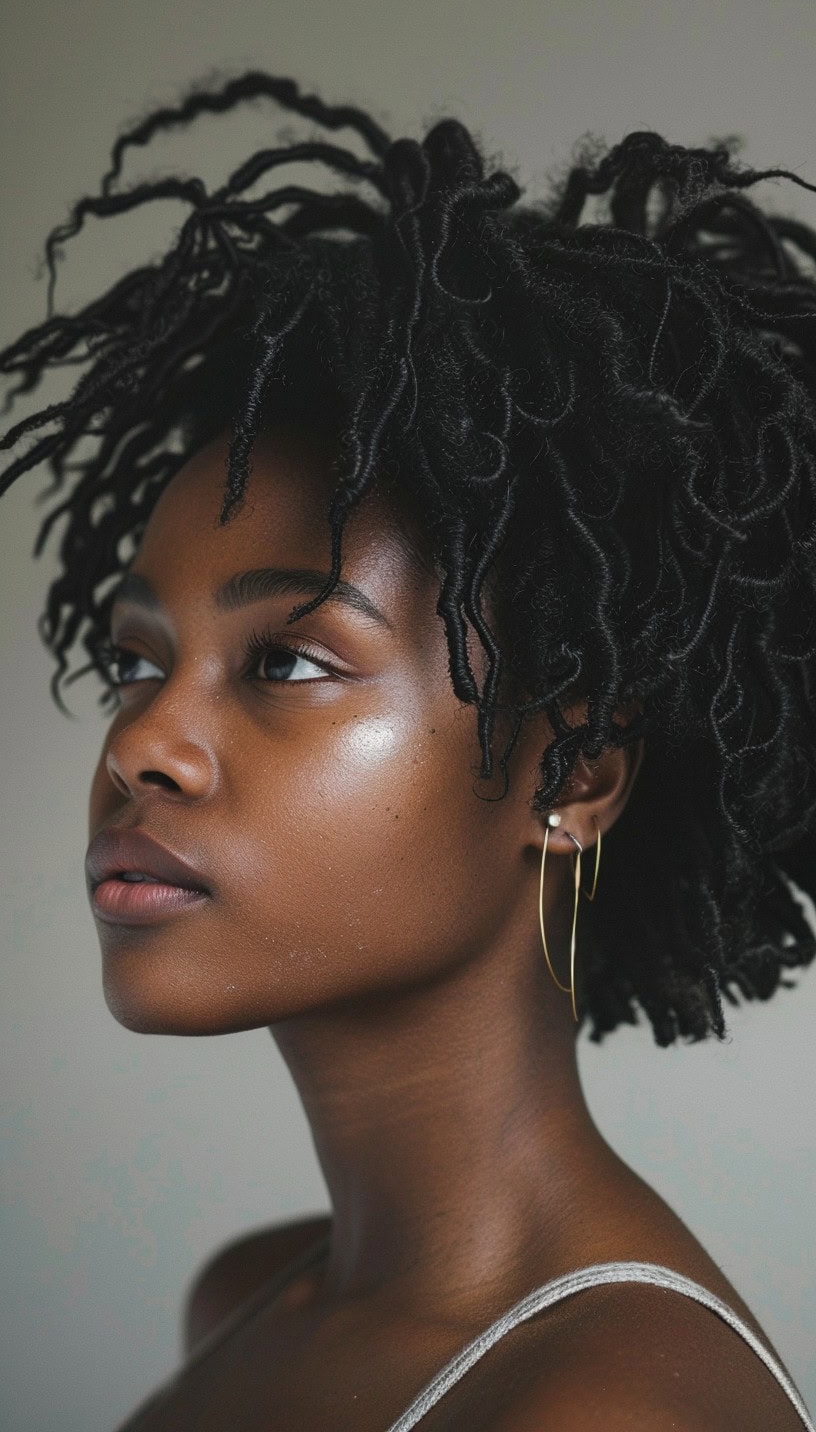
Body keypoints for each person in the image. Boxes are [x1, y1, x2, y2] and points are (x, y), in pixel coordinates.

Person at [1, 71, 815, 1430]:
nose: (144, 741)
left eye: (288, 662)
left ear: (571, 779)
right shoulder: (251, 1295)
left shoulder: (602, 1414)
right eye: (139, 661)